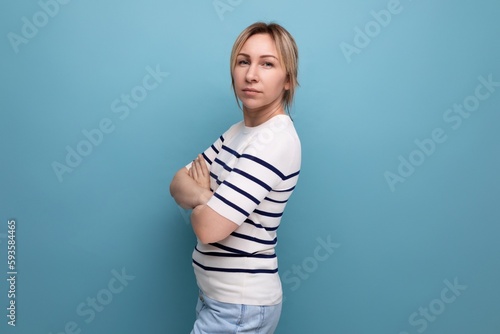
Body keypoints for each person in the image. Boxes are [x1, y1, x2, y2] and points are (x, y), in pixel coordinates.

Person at [170, 21, 301, 334]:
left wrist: (203, 197)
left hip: (240, 308)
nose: (251, 74)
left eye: (267, 64)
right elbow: (177, 183)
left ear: (287, 80)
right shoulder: (238, 133)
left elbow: (208, 228)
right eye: (244, 61)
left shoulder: (274, 140)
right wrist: (207, 198)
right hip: (219, 300)